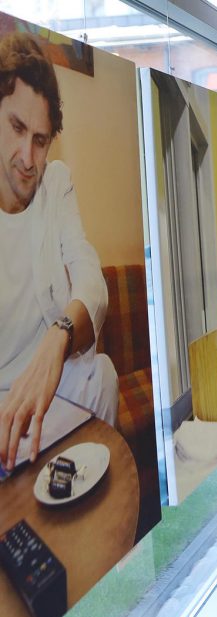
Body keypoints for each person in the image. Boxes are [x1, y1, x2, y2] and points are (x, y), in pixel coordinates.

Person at [0, 33, 117, 472]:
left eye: (41, 140)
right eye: (16, 129)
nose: (28, 158)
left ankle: (89, 513)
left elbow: (91, 279)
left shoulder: (56, 183)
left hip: (54, 385)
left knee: (102, 374)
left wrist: (59, 336)